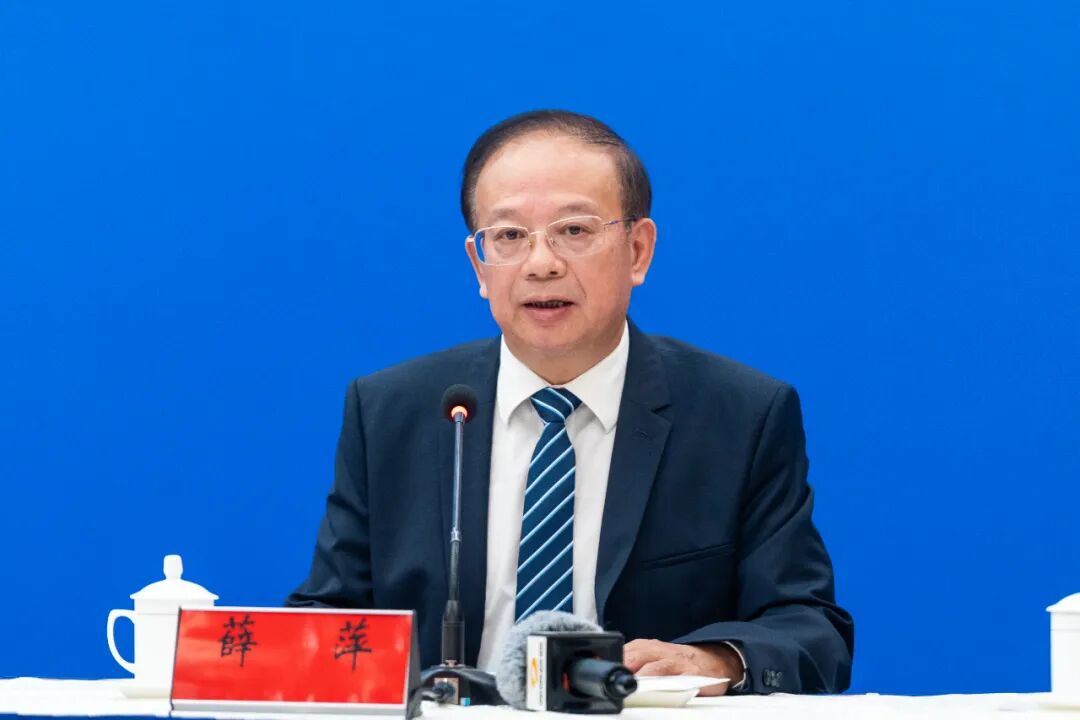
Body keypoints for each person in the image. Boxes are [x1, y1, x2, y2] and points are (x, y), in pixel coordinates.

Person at [287, 110, 854, 695]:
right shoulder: (394, 411)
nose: (541, 264)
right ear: (479, 265)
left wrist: (715, 660)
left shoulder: (739, 415)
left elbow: (810, 629)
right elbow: (327, 620)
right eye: (509, 236)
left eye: (574, 230)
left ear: (638, 250)